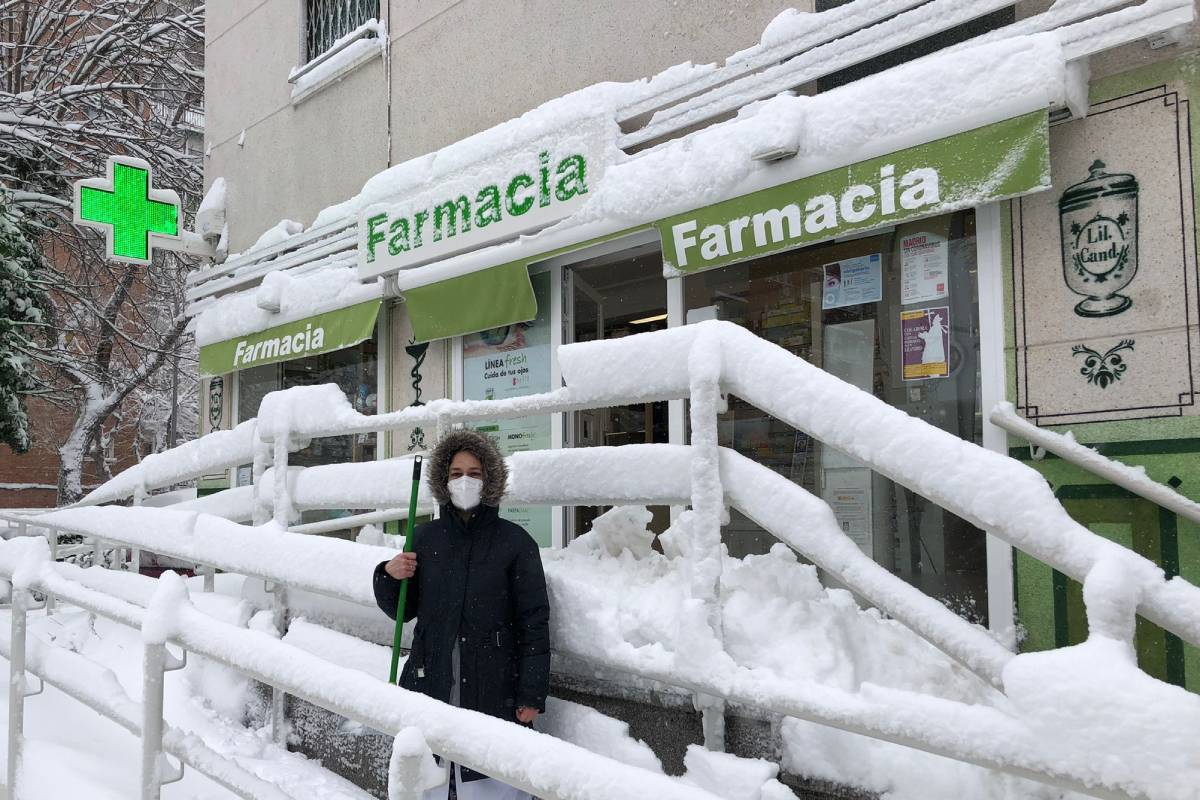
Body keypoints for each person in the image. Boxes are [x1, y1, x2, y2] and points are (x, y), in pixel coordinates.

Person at [374, 430, 550, 800]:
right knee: (430, 782)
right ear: (443, 481)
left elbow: (534, 624)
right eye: (456, 473)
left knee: (489, 783)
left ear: (489, 480)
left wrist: (531, 694)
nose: (464, 480)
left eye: (473, 472)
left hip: (494, 690)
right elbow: (402, 611)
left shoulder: (515, 544)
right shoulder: (424, 539)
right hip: (430, 682)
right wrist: (388, 575)